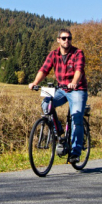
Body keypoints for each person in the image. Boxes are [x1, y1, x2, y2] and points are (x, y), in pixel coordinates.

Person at [28, 29, 87, 164]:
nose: (67, 40)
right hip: (60, 89)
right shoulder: (53, 54)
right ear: (58, 40)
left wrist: (74, 83)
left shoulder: (78, 53)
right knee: (46, 104)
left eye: (69, 38)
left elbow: (79, 70)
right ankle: (59, 132)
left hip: (77, 89)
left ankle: (75, 153)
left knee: (76, 117)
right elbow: (44, 70)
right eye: (64, 38)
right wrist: (35, 83)